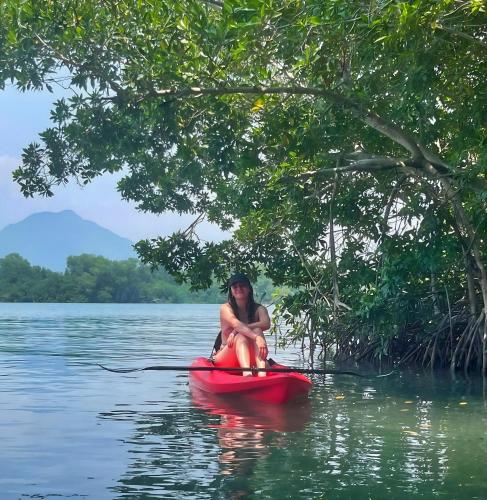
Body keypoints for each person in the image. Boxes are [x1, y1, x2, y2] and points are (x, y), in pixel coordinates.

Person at [213, 273, 271, 376]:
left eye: (242, 285)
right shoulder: (226, 308)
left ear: (249, 288)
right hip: (227, 358)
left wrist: (235, 332)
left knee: (257, 330)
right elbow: (236, 324)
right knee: (241, 336)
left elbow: (266, 323)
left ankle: (262, 374)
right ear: (231, 290)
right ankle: (247, 373)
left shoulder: (259, 309)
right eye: (235, 286)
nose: (238, 288)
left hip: (252, 358)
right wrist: (256, 337)